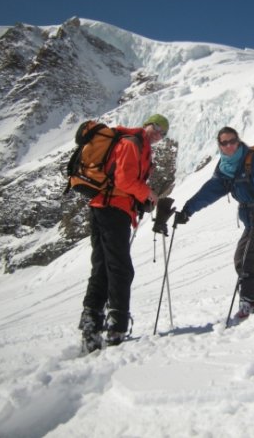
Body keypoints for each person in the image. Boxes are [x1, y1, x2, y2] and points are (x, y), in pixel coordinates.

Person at [78, 113, 169, 352]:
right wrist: (147, 194)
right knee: (120, 268)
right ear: (147, 124)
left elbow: (123, 181)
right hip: (113, 210)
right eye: (157, 127)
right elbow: (125, 180)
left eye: (163, 133)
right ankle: (116, 324)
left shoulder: (136, 144)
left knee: (102, 266)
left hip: (102, 207)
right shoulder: (132, 143)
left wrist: (139, 201)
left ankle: (91, 323)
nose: (159, 134)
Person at [174, 126, 254, 320]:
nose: (230, 145)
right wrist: (188, 209)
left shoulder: (251, 160)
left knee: (249, 258)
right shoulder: (225, 169)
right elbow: (209, 192)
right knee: (241, 258)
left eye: (233, 141)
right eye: (225, 142)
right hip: (250, 219)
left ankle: (248, 303)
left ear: (238, 141)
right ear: (219, 145)